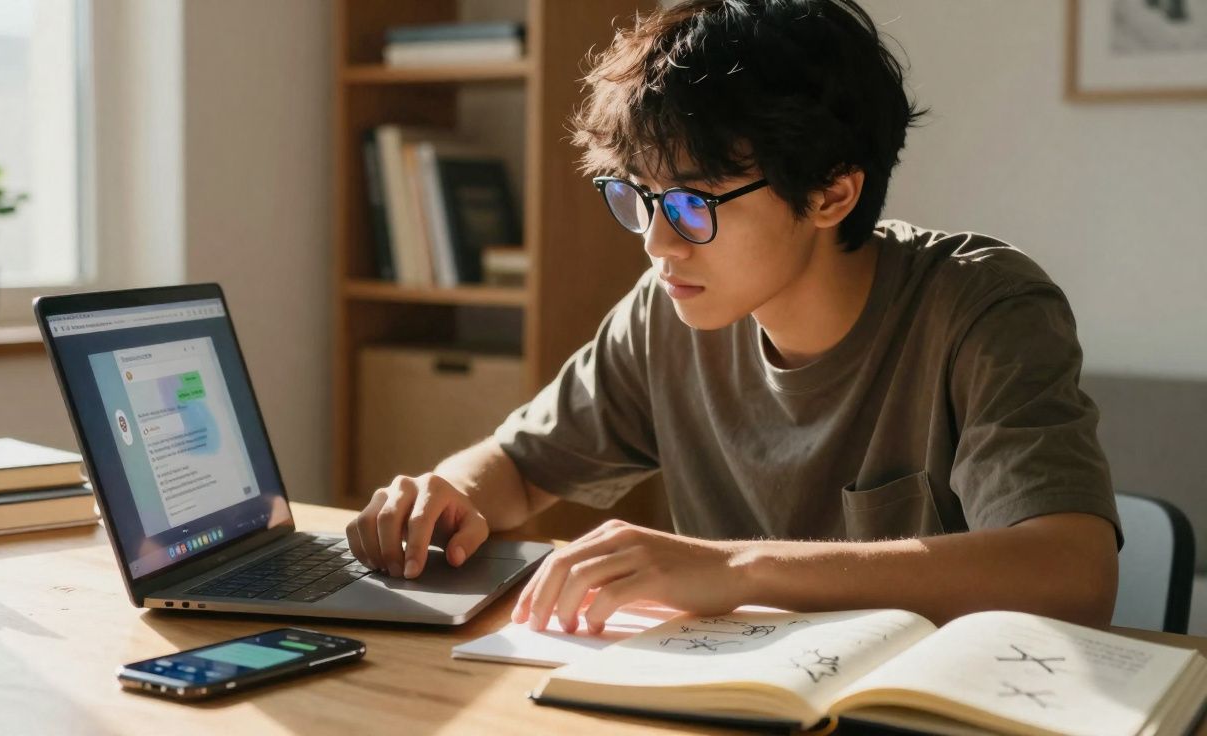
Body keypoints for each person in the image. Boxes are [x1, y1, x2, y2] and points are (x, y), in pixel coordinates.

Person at [346, 0, 1121, 634]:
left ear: (831, 193)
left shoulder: (983, 308)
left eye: (692, 203)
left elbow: (1072, 573)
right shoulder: (666, 313)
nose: (657, 243)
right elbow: (518, 468)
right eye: (638, 197)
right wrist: (446, 494)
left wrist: (736, 569)